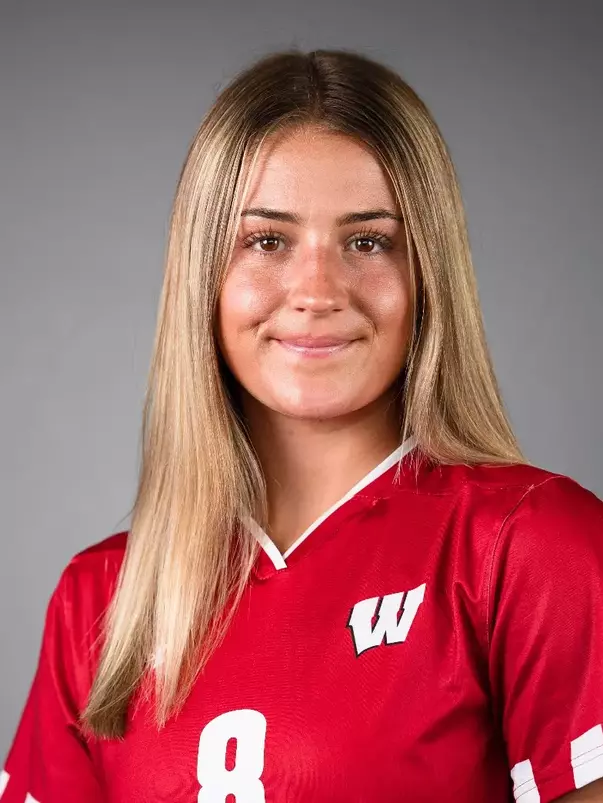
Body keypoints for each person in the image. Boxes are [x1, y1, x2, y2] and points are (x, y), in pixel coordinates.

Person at [2, 47, 603, 803]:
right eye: (267, 241)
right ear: (203, 274)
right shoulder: (101, 601)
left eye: (367, 242)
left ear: (429, 275)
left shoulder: (531, 545)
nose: (317, 291)